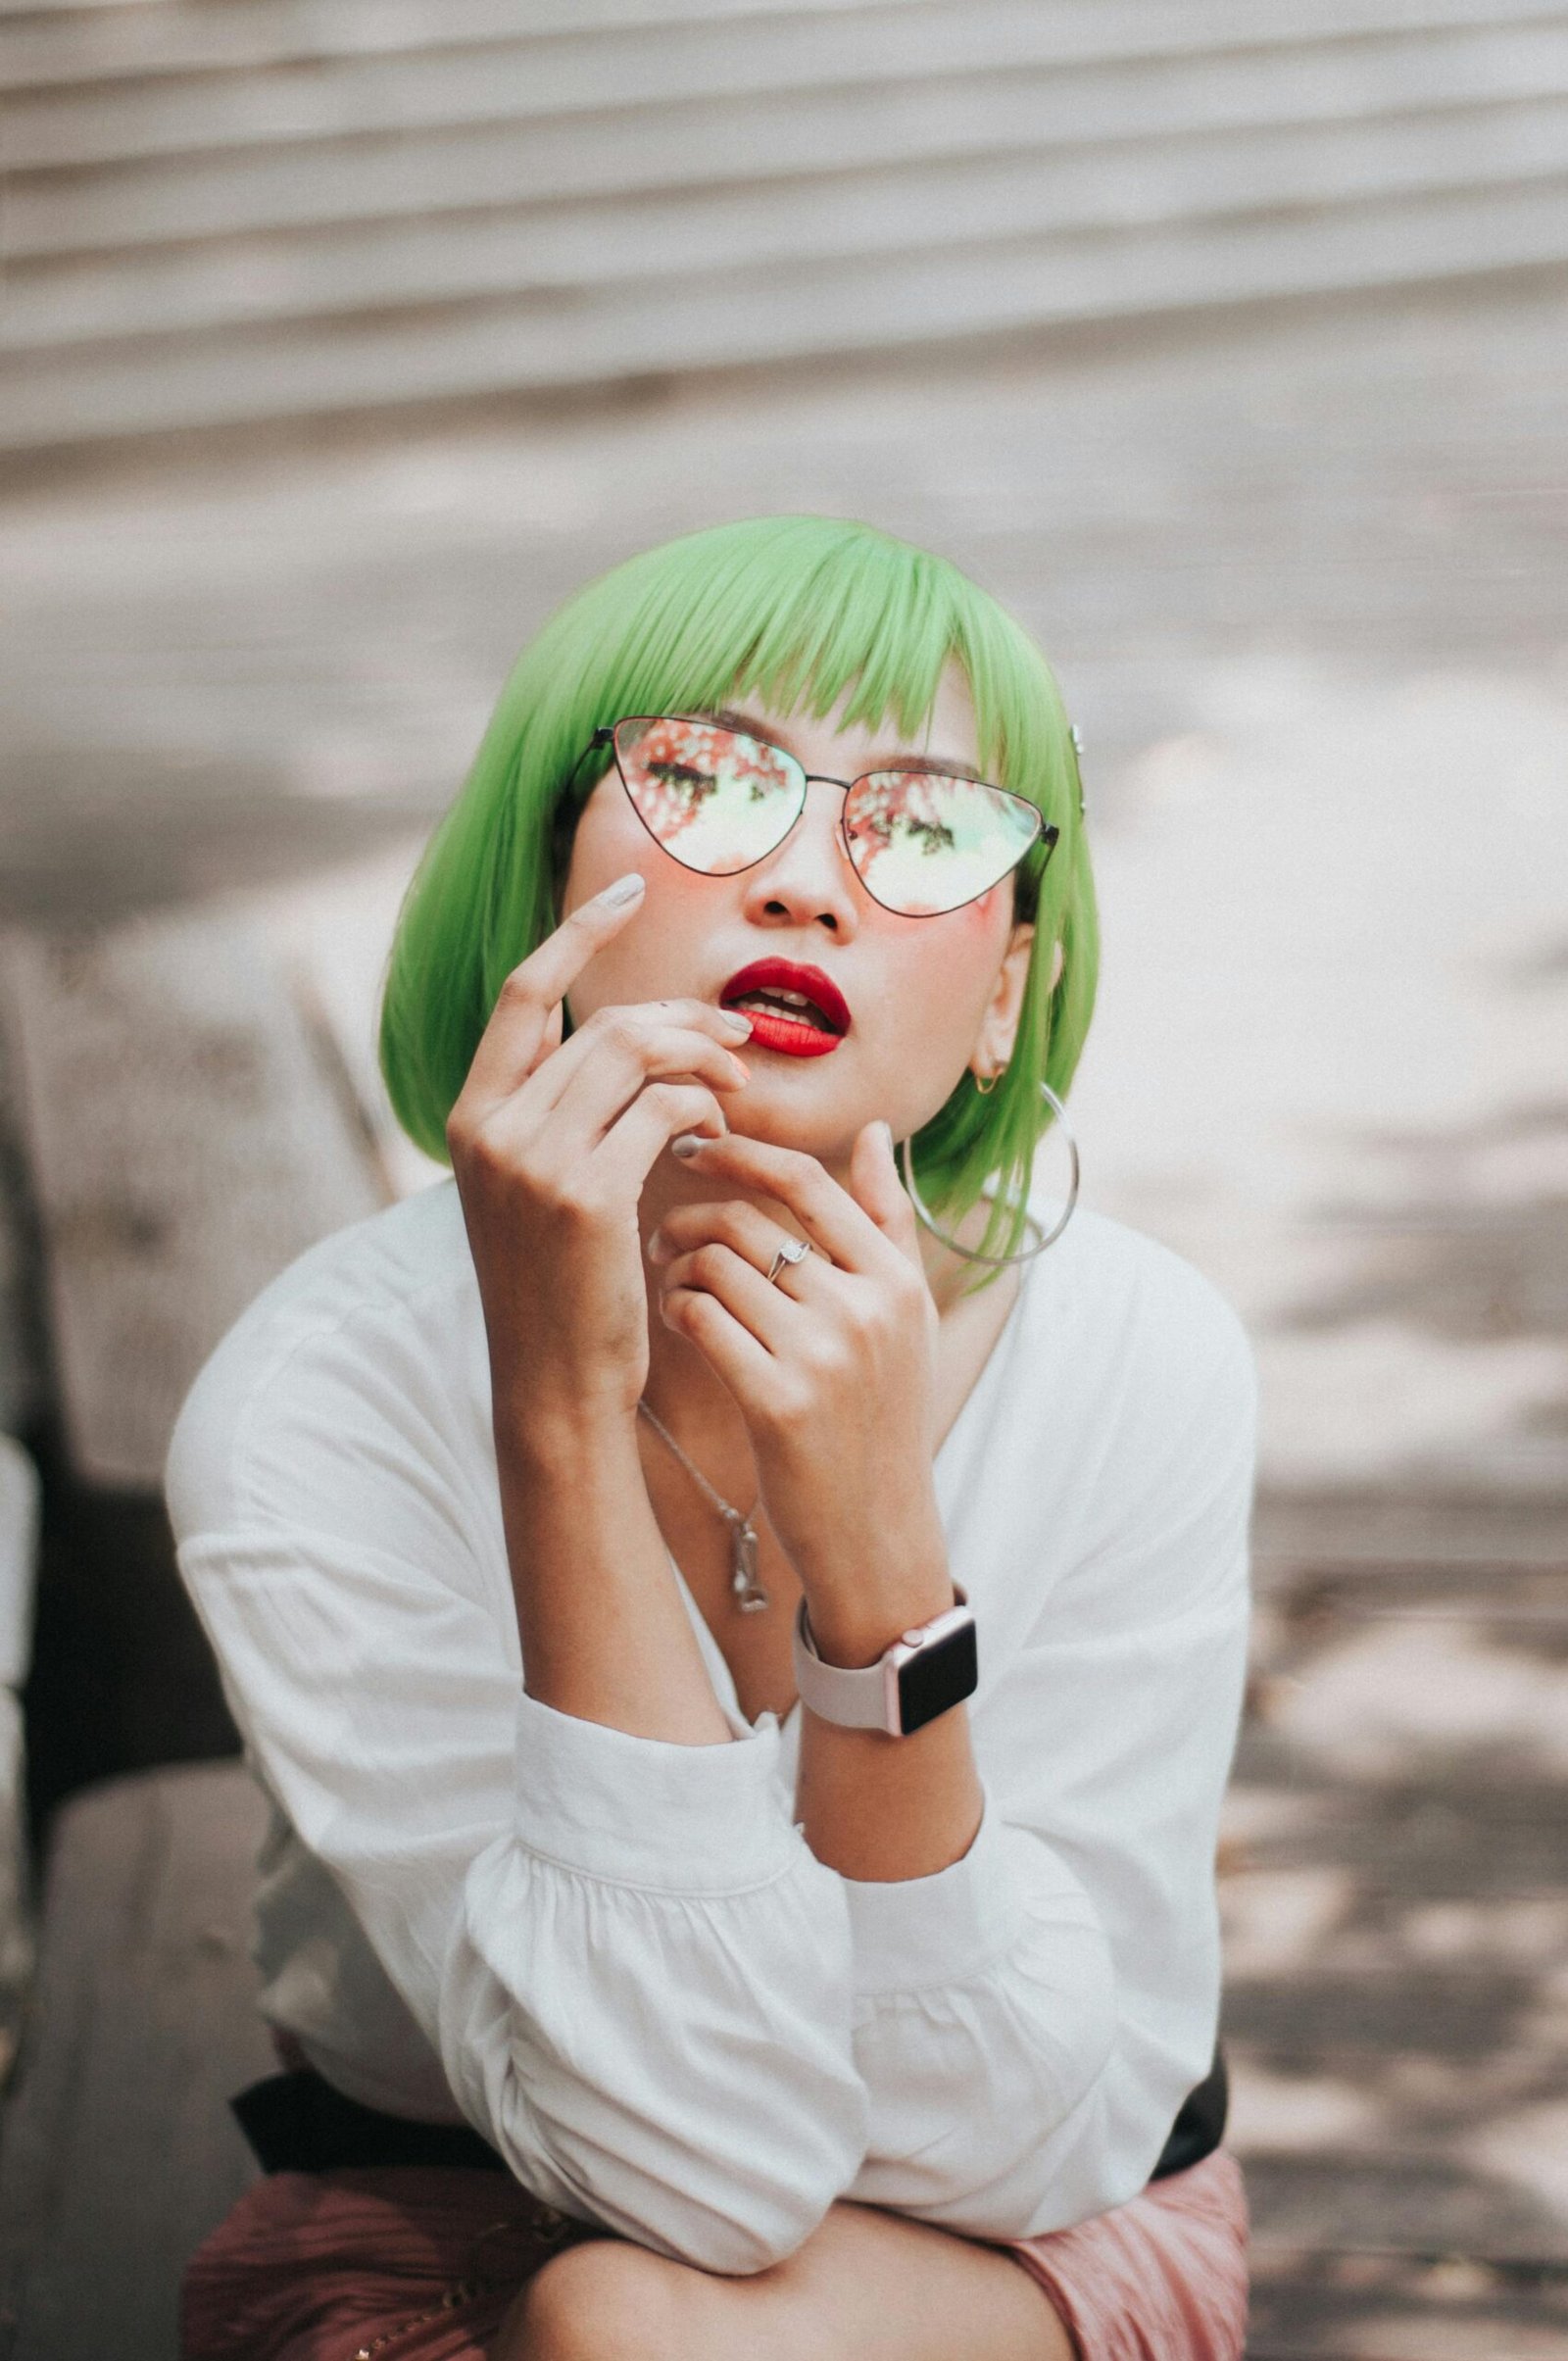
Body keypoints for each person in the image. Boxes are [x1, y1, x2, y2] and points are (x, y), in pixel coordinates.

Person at [168, 515, 1256, 2361]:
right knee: (625, 2318)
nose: (809, 887)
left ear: (1003, 994)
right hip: (451, 2231)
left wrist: (882, 1581)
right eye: (707, 784)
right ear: (541, 898)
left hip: (1024, 2243)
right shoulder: (313, 1407)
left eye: (919, 826)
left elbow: (1013, 2141)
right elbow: (686, 2167)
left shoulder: (1140, 1357)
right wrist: (559, 1418)